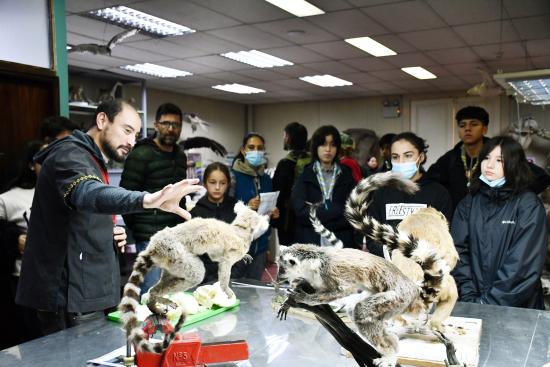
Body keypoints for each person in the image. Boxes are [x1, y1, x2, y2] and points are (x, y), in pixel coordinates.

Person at [15, 100, 201, 335]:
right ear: (102, 120)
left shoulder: (91, 159)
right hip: (66, 296)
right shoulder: (69, 154)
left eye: (136, 134)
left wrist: (106, 230)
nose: (132, 142)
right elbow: (85, 192)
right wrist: (147, 199)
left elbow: (80, 214)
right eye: (127, 130)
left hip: (86, 290)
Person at [451, 136, 548, 309]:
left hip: (518, 310)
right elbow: (457, 252)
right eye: (486, 158)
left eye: (499, 160)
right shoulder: (469, 202)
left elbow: (522, 267)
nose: (489, 165)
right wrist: (470, 298)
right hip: (471, 303)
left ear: (514, 165)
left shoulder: (528, 205)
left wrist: (488, 303)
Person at [120, 102, 187, 294]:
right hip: (149, 237)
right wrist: (140, 229)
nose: (171, 129)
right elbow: (126, 198)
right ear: (156, 124)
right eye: (166, 123)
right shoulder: (141, 154)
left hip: (175, 235)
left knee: (173, 290)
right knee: (152, 293)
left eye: (176, 125)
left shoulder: (180, 156)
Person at [367, 132, 453, 257]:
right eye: (395, 157)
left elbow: (444, 237)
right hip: (389, 269)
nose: (401, 162)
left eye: (408, 155)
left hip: (425, 269)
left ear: (421, 157)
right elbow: (372, 236)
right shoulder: (380, 193)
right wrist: (395, 255)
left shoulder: (439, 193)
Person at [0, 140, 45, 348]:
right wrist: (14, 237)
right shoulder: (8, 199)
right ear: (31, 165)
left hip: (65, 282)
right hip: (24, 281)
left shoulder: (69, 194)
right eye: (43, 160)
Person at [291, 125, 356, 247]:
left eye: (332, 145)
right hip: (312, 243)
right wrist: (335, 210)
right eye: (323, 144)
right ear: (316, 147)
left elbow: (353, 212)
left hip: (342, 242)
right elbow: (301, 213)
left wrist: (321, 216)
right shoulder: (305, 175)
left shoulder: (346, 175)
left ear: (338, 148)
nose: (328, 149)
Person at [231, 132, 279, 280]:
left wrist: (274, 213)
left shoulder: (266, 179)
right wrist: (247, 206)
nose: (255, 151)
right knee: (233, 289)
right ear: (243, 150)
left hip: (261, 249)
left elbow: (267, 213)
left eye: (260, 148)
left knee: (254, 292)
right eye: (251, 147)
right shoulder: (233, 177)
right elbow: (226, 211)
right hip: (238, 247)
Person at [427, 106, 489, 211]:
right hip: (457, 217)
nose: (467, 129)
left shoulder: (498, 156)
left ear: (484, 129)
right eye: (462, 125)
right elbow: (430, 182)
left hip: (489, 216)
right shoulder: (450, 159)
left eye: (474, 124)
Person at [190, 162, 239, 283]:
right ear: (205, 184)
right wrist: (207, 277)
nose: (217, 187)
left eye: (222, 183)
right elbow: (195, 251)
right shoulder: (197, 212)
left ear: (228, 184)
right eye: (212, 182)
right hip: (206, 278)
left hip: (234, 274)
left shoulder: (237, 209)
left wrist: (235, 273)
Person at [272, 122, 310, 246]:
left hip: (288, 219)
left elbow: (278, 193)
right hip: (309, 216)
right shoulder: (313, 162)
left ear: (288, 138)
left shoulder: (285, 164)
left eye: (284, 135)